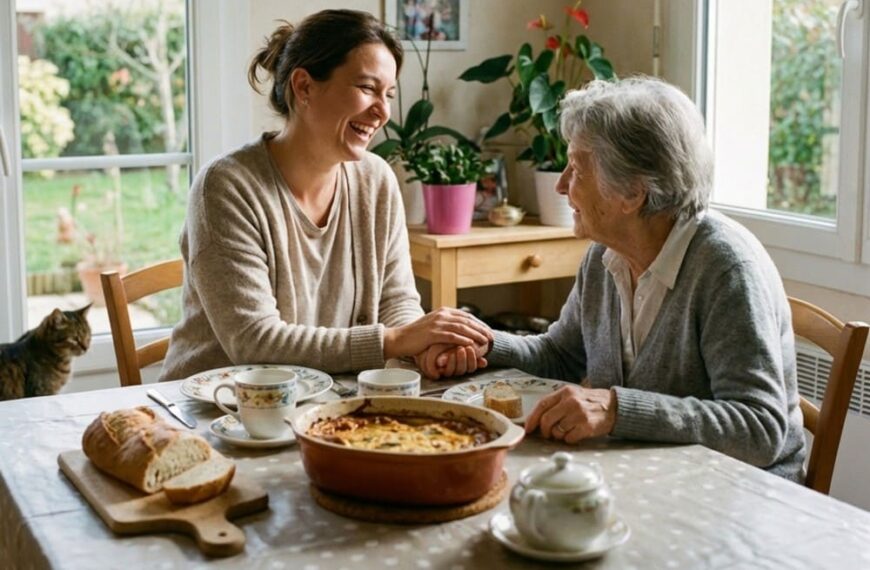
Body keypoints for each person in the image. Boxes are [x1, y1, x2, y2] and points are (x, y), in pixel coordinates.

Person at [425, 77, 807, 481]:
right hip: (652, 473)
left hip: (741, 494)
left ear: (632, 193)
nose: (560, 185)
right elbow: (562, 356)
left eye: (577, 169)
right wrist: (482, 341)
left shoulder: (726, 268)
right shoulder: (606, 255)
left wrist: (616, 410)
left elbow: (758, 429)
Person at [160, 10, 489, 381]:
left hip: (328, 402)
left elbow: (396, 301)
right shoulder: (226, 187)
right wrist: (396, 341)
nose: (382, 112)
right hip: (214, 407)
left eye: (389, 94)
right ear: (304, 87)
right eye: (367, 88)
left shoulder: (376, 179)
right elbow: (253, 341)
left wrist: (424, 350)